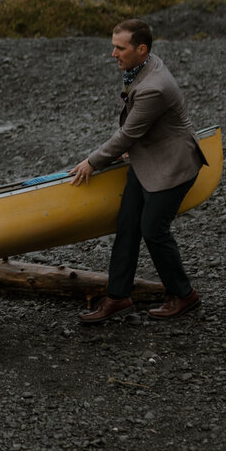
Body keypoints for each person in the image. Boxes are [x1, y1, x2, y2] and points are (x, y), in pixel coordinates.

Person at [69, 19, 207, 324]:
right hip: (146, 159)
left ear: (141, 49)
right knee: (127, 224)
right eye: (113, 46)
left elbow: (127, 135)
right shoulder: (140, 67)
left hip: (173, 165)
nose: (113, 53)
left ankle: (184, 295)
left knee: (153, 230)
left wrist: (92, 162)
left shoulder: (153, 87)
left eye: (120, 48)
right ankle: (117, 298)